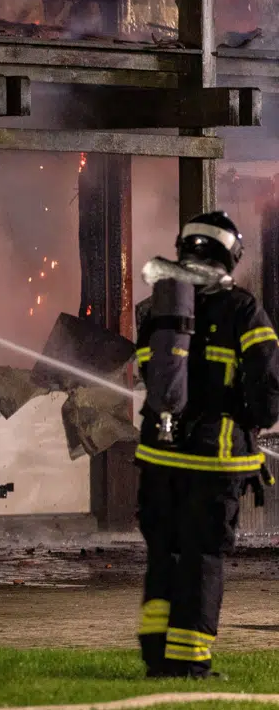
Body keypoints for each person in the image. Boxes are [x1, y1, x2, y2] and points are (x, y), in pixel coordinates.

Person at [134, 211, 279, 678]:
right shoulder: (242, 309)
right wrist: (253, 424)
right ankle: (190, 658)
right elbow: (268, 390)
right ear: (229, 254)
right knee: (203, 556)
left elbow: (146, 371)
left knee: (164, 554)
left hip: (158, 456)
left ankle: (157, 654)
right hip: (212, 459)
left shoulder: (161, 307)